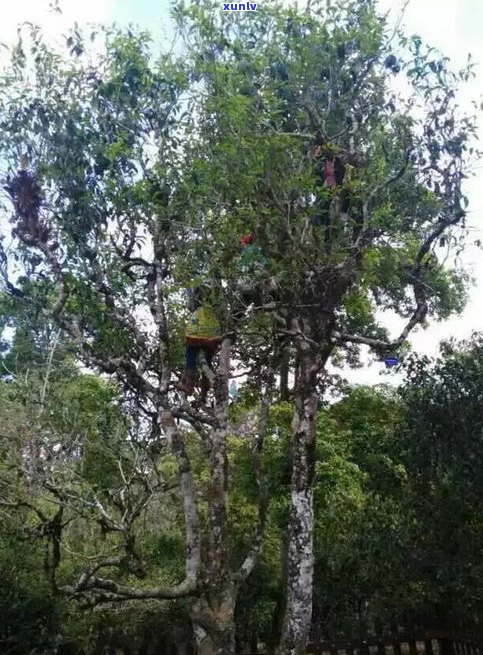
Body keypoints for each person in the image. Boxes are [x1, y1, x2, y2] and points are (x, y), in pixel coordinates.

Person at [178, 304, 222, 399]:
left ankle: (190, 385)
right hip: (212, 333)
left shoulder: (199, 297)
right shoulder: (217, 301)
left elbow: (192, 304)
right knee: (208, 359)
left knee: (191, 350)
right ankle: (204, 392)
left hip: (202, 330)